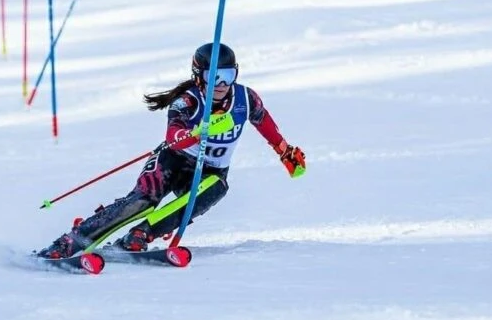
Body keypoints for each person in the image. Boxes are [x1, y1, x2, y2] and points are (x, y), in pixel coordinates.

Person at [35, 42, 306, 259]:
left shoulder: (245, 98)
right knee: (143, 200)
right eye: (214, 77)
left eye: (228, 76)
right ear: (198, 77)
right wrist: (198, 132)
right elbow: (173, 138)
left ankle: (142, 234)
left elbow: (264, 123)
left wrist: (284, 152)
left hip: (208, 171)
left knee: (216, 188)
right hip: (172, 161)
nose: (222, 85)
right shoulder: (187, 101)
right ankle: (72, 240)